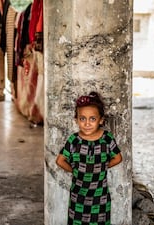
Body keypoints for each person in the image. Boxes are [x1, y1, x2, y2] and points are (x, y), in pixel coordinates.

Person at [56, 91, 123, 225]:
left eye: (92, 119)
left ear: (101, 120)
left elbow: (118, 158)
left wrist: (103, 167)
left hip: (100, 197)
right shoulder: (74, 140)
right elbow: (60, 160)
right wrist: (75, 170)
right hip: (78, 197)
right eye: (82, 119)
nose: (87, 123)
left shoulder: (107, 139)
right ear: (76, 120)